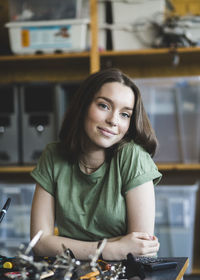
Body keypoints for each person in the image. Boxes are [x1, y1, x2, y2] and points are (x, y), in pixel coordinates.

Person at [30, 68, 162, 260]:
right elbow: (40, 243)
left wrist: (62, 245)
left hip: (128, 278)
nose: (113, 121)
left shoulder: (134, 157)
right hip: (71, 276)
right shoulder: (53, 156)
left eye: (125, 114)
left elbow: (140, 251)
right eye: (104, 106)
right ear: (83, 106)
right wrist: (109, 249)